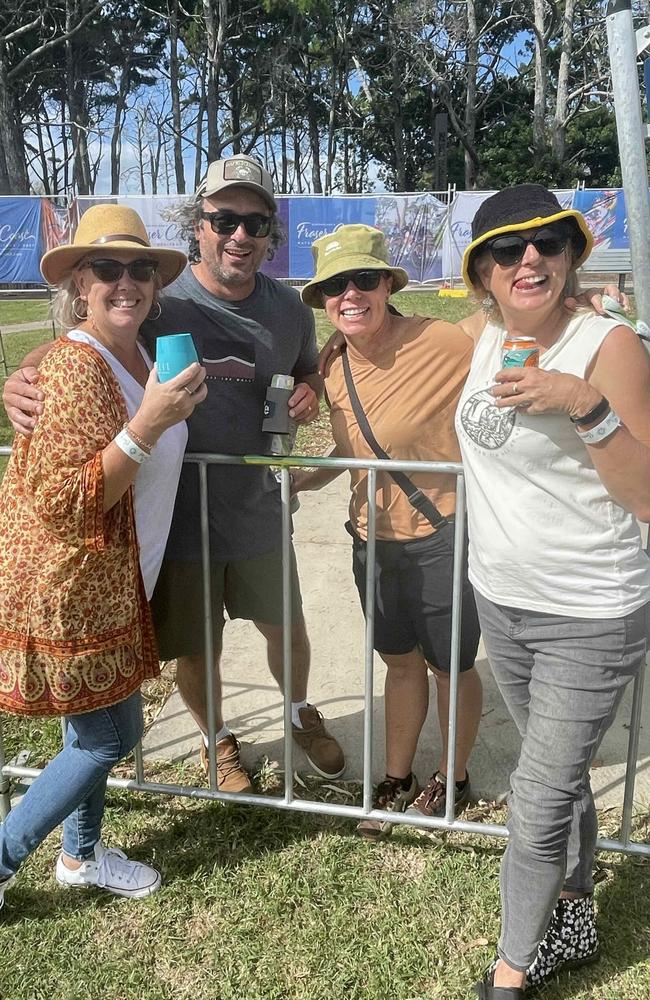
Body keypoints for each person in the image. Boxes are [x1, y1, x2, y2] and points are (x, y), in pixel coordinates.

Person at [2, 155, 345, 791]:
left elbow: (304, 370)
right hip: (178, 515)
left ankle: (299, 712)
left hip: (258, 506)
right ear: (199, 227)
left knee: (285, 626)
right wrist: (21, 376)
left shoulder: (291, 311)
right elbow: (85, 334)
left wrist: (309, 387)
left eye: (256, 222)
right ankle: (217, 741)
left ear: (271, 233)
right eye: (224, 220)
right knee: (197, 644)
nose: (240, 234)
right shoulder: (160, 301)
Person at [456, 184, 650, 997]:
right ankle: (574, 903)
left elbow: (645, 491)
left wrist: (584, 405)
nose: (526, 258)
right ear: (485, 274)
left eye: (545, 244)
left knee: (534, 799)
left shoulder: (609, 347)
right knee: (559, 776)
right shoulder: (484, 334)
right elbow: (383, 341)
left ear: (570, 257)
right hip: (503, 599)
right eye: (506, 249)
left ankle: (508, 975)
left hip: (591, 612)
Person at [0, 204, 207, 909]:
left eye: (140, 268)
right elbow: (64, 500)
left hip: (114, 579)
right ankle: (2, 859)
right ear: (78, 284)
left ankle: (81, 855)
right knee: (110, 733)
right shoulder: (77, 367)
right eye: (108, 269)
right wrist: (149, 423)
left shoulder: (145, 354)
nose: (128, 283)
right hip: (73, 584)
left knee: (88, 724)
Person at [292, 224, 483, 838]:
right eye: (334, 285)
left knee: (450, 666)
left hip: (441, 534)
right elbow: (358, 453)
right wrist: (304, 480)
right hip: (369, 542)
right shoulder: (334, 364)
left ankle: (454, 779)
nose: (350, 294)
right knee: (399, 663)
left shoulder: (446, 342)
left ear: (388, 285)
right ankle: (397, 777)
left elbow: (517, 327)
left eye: (364, 280)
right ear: (322, 297)